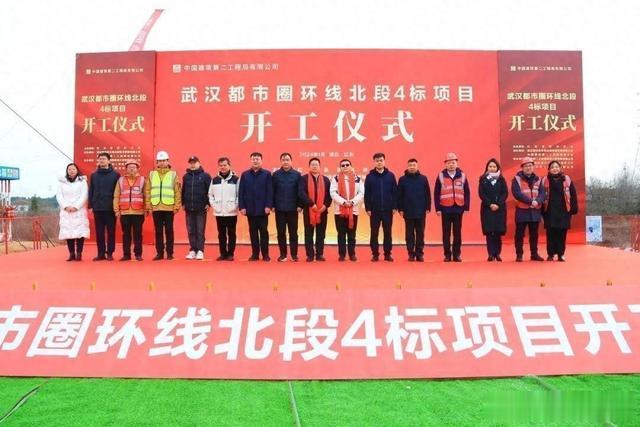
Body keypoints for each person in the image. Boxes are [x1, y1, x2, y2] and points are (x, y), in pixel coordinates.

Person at [434, 152, 470, 262]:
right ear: (445, 164)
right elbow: (436, 193)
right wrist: (437, 208)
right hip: (445, 208)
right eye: (449, 163)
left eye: (453, 162)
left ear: (457, 163)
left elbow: (467, 192)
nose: (451, 165)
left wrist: (466, 207)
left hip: (458, 208)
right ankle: (447, 255)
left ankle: (457, 254)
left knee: (457, 233)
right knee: (446, 233)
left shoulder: (462, 176)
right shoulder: (441, 176)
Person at [146, 150, 181, 261]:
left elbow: (177, 191)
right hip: (156, 207)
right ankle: (159, 253)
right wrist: (148, 205)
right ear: (157, 162)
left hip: (169, 207)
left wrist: (177, 205)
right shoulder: (152, 174)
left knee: (169, 231)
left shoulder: (173, 174)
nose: (162, 163)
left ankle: (170, 253)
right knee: (158, 231)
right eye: (160, 161)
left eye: (164, 160)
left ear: (168, 161)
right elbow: (147, 191)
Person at [239, 152, 273, 261]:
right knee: (253, 232)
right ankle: (255, 254)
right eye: (253, 159)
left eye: (257, 159)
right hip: (250, 208)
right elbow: (241, 192)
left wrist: (268, 205)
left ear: (261, 161)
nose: (255, 161)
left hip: (263, 209)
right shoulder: (245, 175)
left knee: (264, 232)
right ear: (251, 161)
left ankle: (265, 254)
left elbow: (270, 191)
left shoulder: (267, 174)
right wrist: (242, 207)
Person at [541, 160, 578, 261]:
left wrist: (574, 208)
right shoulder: (545, 180)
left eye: (556, 167)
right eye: (552, 167)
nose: (555, 169)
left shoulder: (567, 179)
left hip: (564, 210)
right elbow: (541, 195)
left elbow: (573, 194)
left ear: (560, 168)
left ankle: (561, 254)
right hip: (549, 210)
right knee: (550, 233)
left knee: (562, 233)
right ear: (549, 169)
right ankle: (550, 254)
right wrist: (541, 210)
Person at [364, 153, 398, 262]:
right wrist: (368, 208)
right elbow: (367, 194)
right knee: (374, 233)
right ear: (374, 162)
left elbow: (395, 192)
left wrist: (395, 206)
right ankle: (375, 254)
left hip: (388, 209)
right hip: (374, 210)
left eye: (381, 160)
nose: (379, 162)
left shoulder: (390, 175)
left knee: (388, 232)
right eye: (377, 160)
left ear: (384, 161)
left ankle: (387, 254)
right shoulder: (370, 177)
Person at [511, 157, 546, 262]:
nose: (528, 168)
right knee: (519, 234)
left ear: (533, 167)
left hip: (535, 211)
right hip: (522, 210)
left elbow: (542, 193)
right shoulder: (516, 179)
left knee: (534, 234)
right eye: (526, 166)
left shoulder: (538, 179)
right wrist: (531, 202)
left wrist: (537, 201)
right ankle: (519, 254)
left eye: (530, 165)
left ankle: (534, 254)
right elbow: (517, 193)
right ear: (522, 168)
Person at [330, 159, 365, 261]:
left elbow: (361, 193)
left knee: (352, 234)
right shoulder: (335, 179)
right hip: (340, 211)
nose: (345, 167)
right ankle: (342, 254)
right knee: (341, 234)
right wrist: (344, 202)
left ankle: (352, 254)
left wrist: (352, 202)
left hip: (353, 211)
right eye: (343, 165)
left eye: (347, 165)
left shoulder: (358, 179)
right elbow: (333, 193)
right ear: (340, 167)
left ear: (351, 166)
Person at [298, 157, 332, 262]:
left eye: (316, 164)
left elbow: (329, 195)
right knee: (309, 234)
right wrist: (311, 204)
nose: (314, 166)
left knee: (321, 234)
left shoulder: (326, 180)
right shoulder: (303, 179)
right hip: (309, 210)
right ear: (309, 166)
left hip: (322, 211)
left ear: (319, 166)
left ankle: (319, 254)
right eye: (312, 164)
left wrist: (325, 206)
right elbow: (301, 193)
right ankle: (310, 255)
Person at [397, 158, 431, 262]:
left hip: (421, 211)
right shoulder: (402, 179)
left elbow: (427, 194)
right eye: (410, 165)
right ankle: (411, 253)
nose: (412, 167)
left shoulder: (423, 179)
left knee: (420, 234)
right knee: (409, 234)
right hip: (408, 211)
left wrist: (428, 207)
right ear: (407, 166)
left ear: (417, 166)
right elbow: (399, 195)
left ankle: (419, 254)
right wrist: (400, 209)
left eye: (414, 165)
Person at [88, 152, 120, 261]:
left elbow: (118, 191)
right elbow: (91, 190)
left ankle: (110, 253)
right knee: (99, 232)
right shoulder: (94, 175)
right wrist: (90, 205)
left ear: (109, 161)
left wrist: (117, 206)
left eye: (104, 159)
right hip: (97, 208)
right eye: (100, 159)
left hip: (110, 207)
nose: (101, 161)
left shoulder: (115, 175)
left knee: (111, 232)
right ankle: (100, 253)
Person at [113, 160, 146, 261]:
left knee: (138, 234)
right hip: (125, 212)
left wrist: (146, 208)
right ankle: (126, 254)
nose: (131, 169)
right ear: (126, 169)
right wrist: (116, 210)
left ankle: (138, 254)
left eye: (134, 167)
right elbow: (116, 195)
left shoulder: (142, 180)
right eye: (129, 167)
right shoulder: (120, 180)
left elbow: (146, 195)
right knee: (126, 234)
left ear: (137, 168)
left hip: (138, 212)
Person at [272, 152, 302, 262]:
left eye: (287, 160)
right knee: (281, 233)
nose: (285, 162)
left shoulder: (297, 175)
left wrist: (300, 205)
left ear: (291, 161)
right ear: (281, 161)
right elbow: (272, 191)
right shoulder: (276, 175)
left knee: (293, 233)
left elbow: (300, 191)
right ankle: (283, 255)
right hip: (279, 208)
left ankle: (294, 255)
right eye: (283, 160)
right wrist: (272, 205)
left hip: (293, 208)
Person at [56, 163, 89, 261]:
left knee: (80, 232)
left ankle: (79, 253)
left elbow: (84, 195)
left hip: (79, 210)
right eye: (69, 169)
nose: (71, 171)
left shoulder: (82, 181)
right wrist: (65, 206)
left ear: (77, 170)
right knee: (68, 232)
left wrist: (76, 206)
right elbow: (59, 196)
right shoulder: (62, 182)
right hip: (66, 211)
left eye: (73, 169)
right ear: (67, 171)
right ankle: (71, 253)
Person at [209, 157, 239, 261]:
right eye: (221, 165)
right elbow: (210, 195)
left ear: (229, 165)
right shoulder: (214, 180)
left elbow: (239, 195)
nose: (223, 167)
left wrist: (234, 206)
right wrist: (215, 206)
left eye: (225, 165)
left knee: (231, 234)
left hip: (231, 212)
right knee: (221, 234)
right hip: (219, 212)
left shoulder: (236, 179)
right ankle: (222, 253)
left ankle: (230, 254)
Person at [182, 156, 212, 260]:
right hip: (189, 208)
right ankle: (192, 250)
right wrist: (183, 203)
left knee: (200, 230)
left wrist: (208, 203)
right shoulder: (186, 177)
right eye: (191, 163)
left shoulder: (205, 176)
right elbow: (183, 190)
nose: (192, 164)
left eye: (194, 162)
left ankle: (200, 250)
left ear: (199, 163)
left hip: (201, 208)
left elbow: (210, 191)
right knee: (191, 230)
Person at [478, 158, 508, 262]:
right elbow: (481, 193)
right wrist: (490, 204)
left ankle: (497, 253)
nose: (492, 168)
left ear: (497, 168)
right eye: (490, 166)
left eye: (494, 166)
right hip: (487, 208)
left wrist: (498, 204)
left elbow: (505, 193)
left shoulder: (501, 179)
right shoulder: (483, 179)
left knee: (498, 232)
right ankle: (490, 254)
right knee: (489, 232)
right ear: (487, 168)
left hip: (500, 209)